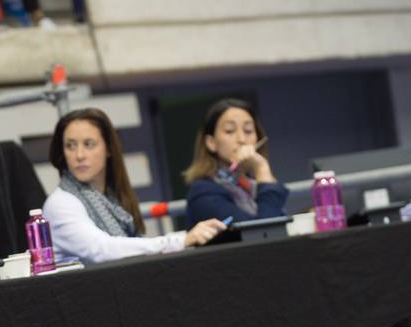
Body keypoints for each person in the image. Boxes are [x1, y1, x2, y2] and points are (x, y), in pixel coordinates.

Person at [42, 108, 225, 264]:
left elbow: (129, 245)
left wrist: (190, 237)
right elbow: (100, 249)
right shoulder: (60, 203)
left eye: (89, 144)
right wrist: (182, 240)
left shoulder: (112, 198)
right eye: (70, 146)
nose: (79, 155)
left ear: (109, 149)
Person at [183, 98, 289, 226]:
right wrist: (262, 169)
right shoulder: (203, 192)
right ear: (211, 142)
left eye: (248, 130)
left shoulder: (254, 184)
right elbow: (263, 234)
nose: (242, 139)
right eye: (230, 131)